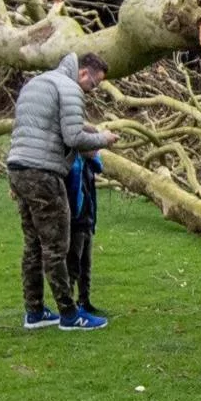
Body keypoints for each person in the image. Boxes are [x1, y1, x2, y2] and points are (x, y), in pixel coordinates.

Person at [7, 53, 110, 331]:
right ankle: (69, 314)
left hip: (17, 168)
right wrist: (104, 139)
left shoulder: (35, 83)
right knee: (56, 246)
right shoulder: (69, 88)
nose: (93, 90)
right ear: (84, 73)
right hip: (44, 174)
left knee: (33, 244)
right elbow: (74, 136)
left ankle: (35, 311)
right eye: (95, 85)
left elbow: (24, 131)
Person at [62, 55, 113, 329]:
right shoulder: (73, 160)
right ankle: (68, 305)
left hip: (88, 218)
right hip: (75, 216)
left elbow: (99, 165)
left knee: (87, 263)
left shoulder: (90, 161)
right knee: (73, 261)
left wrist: (96, 145)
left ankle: (85, 299)